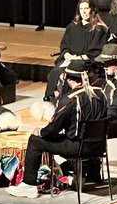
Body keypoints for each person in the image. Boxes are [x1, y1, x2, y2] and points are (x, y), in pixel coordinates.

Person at [15, 59, 108, 195]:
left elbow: (54, 129)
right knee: (74, 135)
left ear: (69, 79)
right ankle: (83, 177)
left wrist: (40, 131)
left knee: (35, 141)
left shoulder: (71, 99)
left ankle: (28, 185)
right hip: (98, 147)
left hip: (78, 147)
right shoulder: (101, 95)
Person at [42, 0, 109, 109]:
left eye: (86, 8)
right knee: (55, 72)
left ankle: (66, 102)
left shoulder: (99, 29)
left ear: (92, 10)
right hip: (71, 58)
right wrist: (66, 53)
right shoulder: (72, 27)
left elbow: (96, 50)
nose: (84, 12)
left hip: (86, 61)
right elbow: (65, 44)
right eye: (81, 9)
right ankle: (50, 98)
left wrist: (81, 58)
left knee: (67, 73)